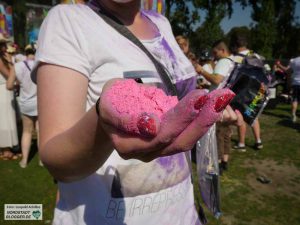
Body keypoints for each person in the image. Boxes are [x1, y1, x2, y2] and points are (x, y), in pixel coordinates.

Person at [33, 1, 240, 224]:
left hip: (182, 212)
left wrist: (205, 110)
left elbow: (176, 104)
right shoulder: (69, 19)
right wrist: (104, 123)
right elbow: (56, 160)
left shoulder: (161, 23)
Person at [194, 40, 236, 173]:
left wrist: (201, 70)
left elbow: (216, 80)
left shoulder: (223, 61)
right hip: (226, 99)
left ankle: (216, 164)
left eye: (215, 52)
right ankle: (225, 161)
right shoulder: (233, 61)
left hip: (217, 102)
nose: (214, 55)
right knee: (225, 133)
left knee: (217, 133)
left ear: (222, 50)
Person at [6, 44, 39, 168]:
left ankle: (24, 161)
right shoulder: (39, 64)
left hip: (26, 102)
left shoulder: (17, 66)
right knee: (40, 131)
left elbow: (9, 86)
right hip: (39, 101)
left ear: (25, 53)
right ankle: (42, 161)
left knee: (26, 131)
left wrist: (18, 85)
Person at [230, 34, 263, 151]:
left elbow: (231, 77)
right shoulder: (256, 55)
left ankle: (241, 144)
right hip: (257, 91)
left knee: (241, 117)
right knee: (253, 115)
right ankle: (258, 141)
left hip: (241, 93)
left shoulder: (234, 58)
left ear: (236, 45)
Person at [0, 34, 19, 160]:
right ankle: (6, 149)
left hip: (5, 89)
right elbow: (9, 75)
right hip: (3, 89)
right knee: (5, 118)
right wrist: (12, 63)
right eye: (2, 45)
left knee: (7, 117)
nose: (5, 47)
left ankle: (7, 148)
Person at [277, 56, 300, 123]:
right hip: (295, 83)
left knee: (295, 100)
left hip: (295, 83)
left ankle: (293, 115)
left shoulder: (293, 60)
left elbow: (287, 70)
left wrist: (279, 65)